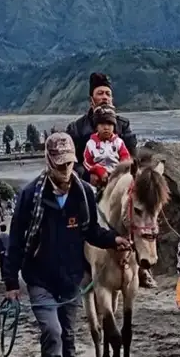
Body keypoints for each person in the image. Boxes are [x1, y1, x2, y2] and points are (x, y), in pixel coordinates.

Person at [4, 132, 131, 357]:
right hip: (39, 278)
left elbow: (92, 232)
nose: (65, 171)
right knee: (53, 333)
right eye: (59, 165)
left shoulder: (84, 193)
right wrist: (11, 282)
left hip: (71, 279)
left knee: (69, 339)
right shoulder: (29, 196)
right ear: (48, 161)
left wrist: (115, 240)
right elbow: (15, 242)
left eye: (69, 164)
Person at [65, 73, 156, 289]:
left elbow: (132, 158)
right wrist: (89, 175)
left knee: (143, 211)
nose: (105, 97)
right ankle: (75, 263)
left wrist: (121, 176)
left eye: (108, 94)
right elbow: (72, 162)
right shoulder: (76, 129)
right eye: (100, 93)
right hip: (88, 183)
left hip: (120, 183)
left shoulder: (123, 126)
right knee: (72, 216)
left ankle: (143, 267)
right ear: (91, 99)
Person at [82, 102, 131, 190]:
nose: (106, 127)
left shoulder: (118, 142)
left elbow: (125, 157)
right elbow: (87, 162)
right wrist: (98, 170)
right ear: (96, 127)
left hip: (116, 174)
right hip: (98, 175)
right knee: (92, 184)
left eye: (109, 124)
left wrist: (121, 170)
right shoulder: (91, 143)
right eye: (102, 124)